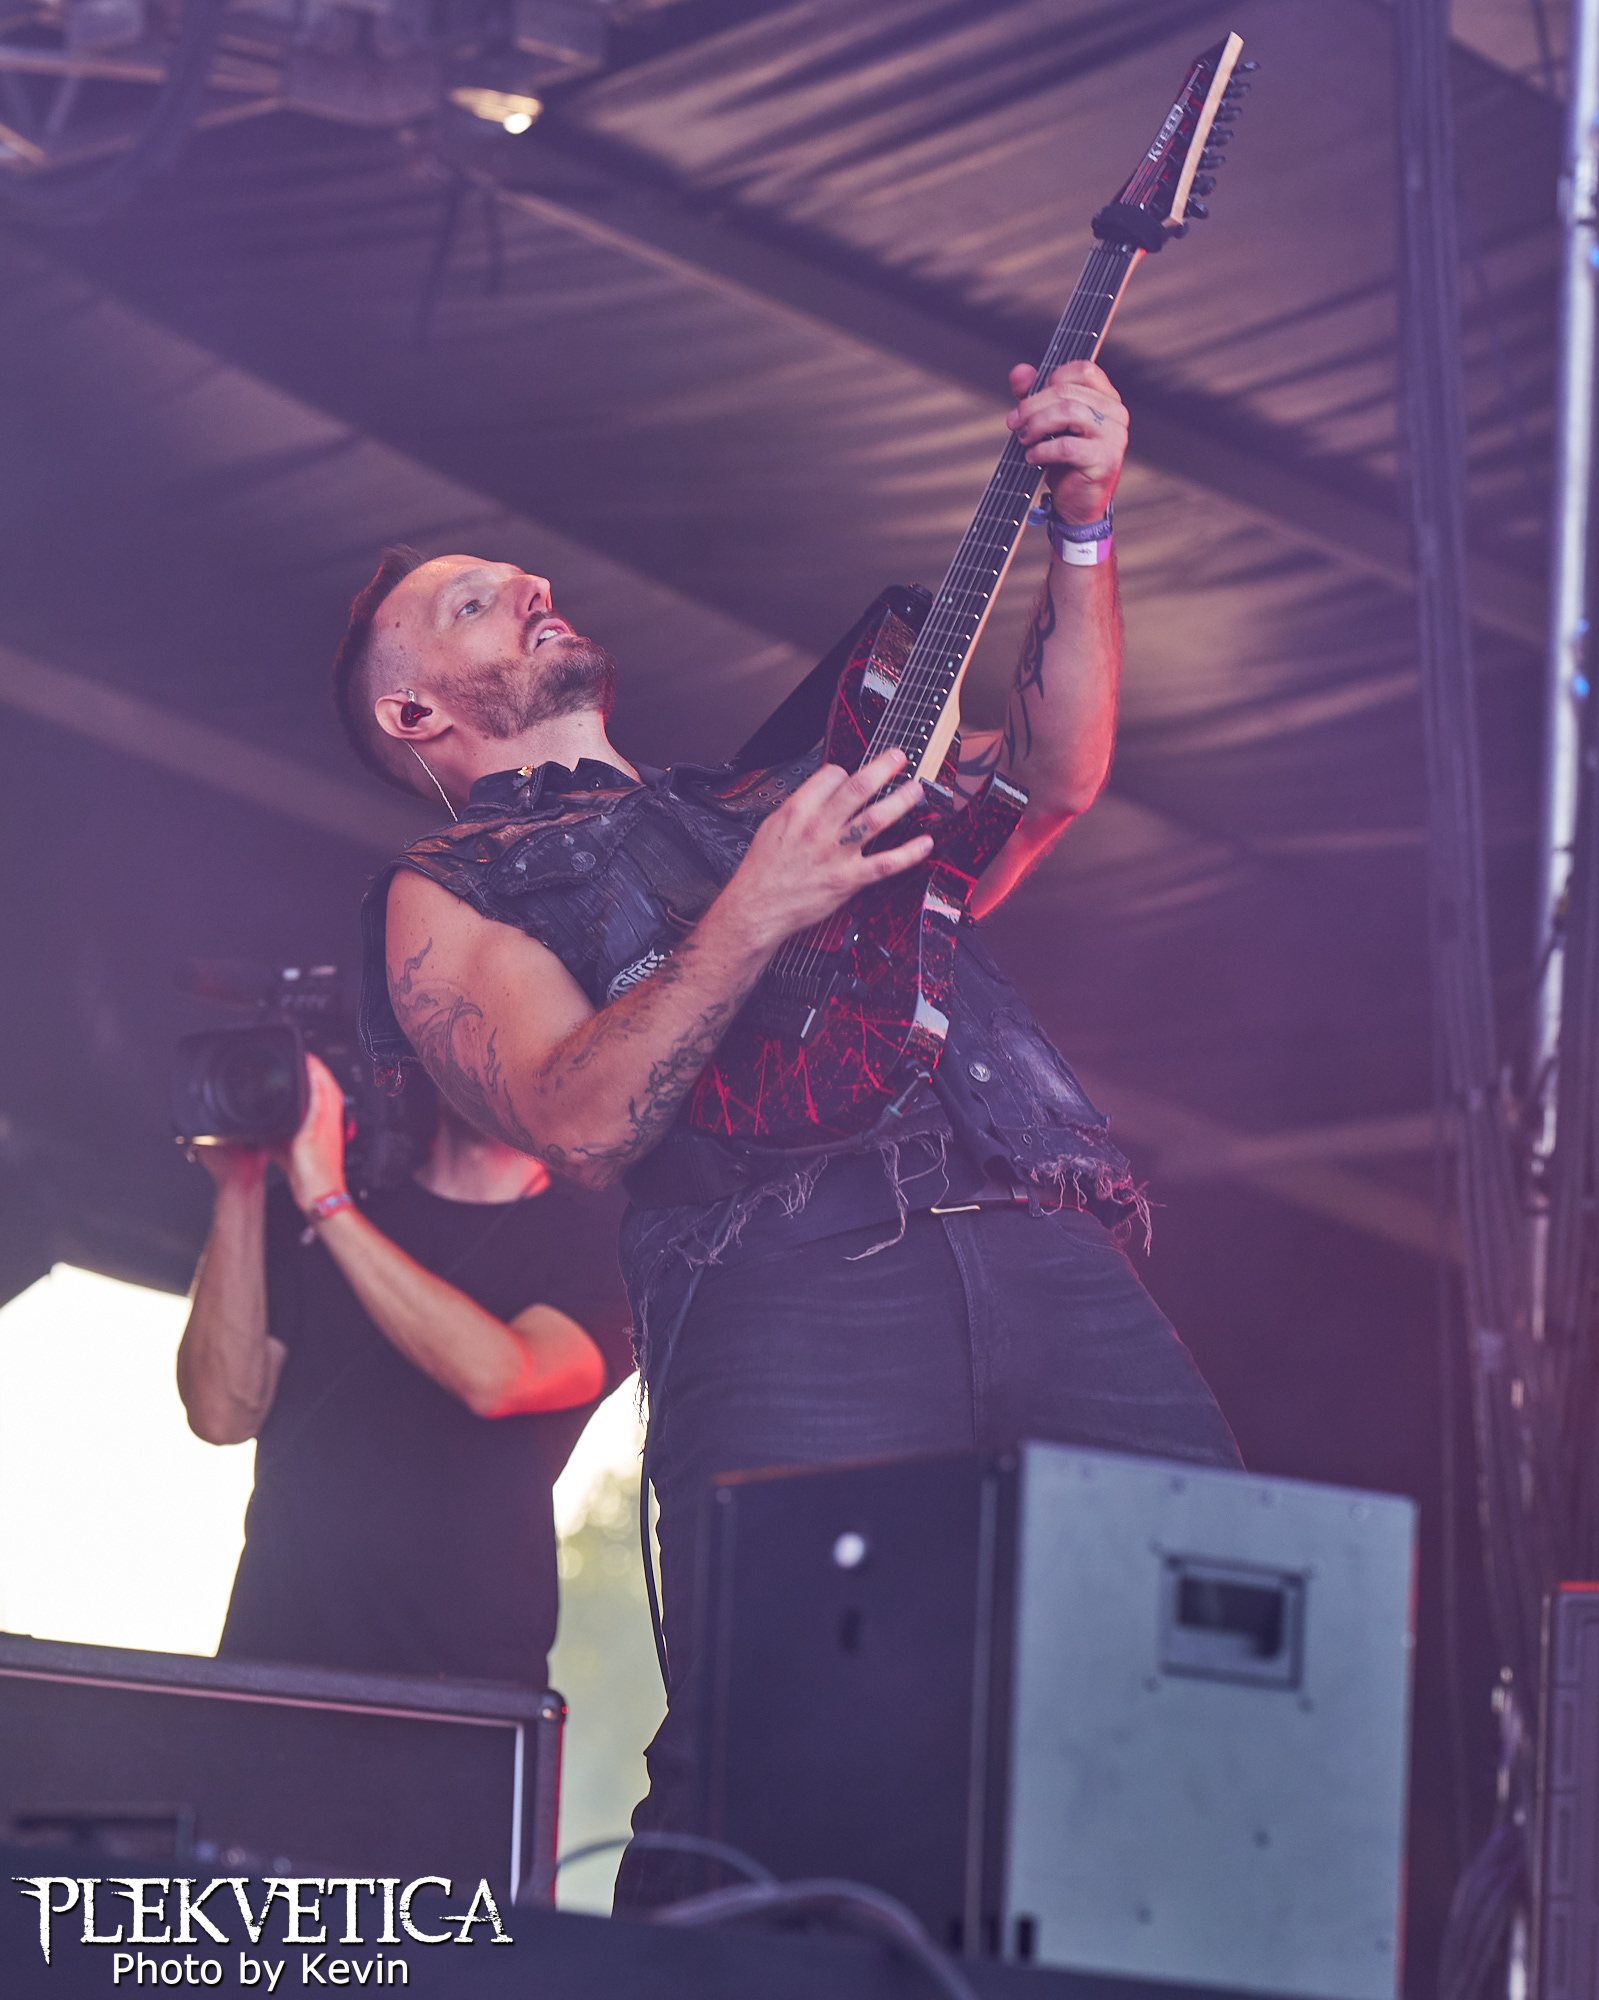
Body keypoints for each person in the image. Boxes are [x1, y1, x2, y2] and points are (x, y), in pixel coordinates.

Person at [336, 360, 1239, 1902]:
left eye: (522, 578)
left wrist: (1085, 524)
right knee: (782, 1756)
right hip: (791, 1280)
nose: (531, 589)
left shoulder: (764, 790)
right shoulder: (449, 890)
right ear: (413, 709)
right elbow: (578, 1116)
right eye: (476, 602)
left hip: (1041, 1238)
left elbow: (1051, 779)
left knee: (1210, 1658)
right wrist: (757, 910)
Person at [180, 1051, 631, 1689]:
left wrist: (327, 1203)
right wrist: (242, 1186)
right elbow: (221, 1415)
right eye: (469, 1027)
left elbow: (501, 1378)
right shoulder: (304, 1206)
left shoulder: (601, 1246)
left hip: (462, 1685)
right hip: (271, 1661)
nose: (487, 1049)